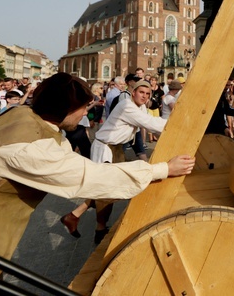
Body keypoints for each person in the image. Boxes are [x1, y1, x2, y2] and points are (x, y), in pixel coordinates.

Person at [0, 72, 194, 276]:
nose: (88, 111)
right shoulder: (29, 146)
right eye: (84, 107)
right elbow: (89, 177)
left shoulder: (21, 115)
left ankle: (78, 218)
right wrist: (163, 169)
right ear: (66, 108)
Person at [65, 79, 172, 243]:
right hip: (106, 149)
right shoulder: (127, 106)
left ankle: (74, 216)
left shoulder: (139, 107)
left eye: (147, 94)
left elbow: (147, 123)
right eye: (141, 92)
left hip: (117, 148)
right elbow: (151, 123)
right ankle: (99, 229)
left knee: (108, 187)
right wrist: (177, 121)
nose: (144, 96)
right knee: (106, 191)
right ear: (133, 92)